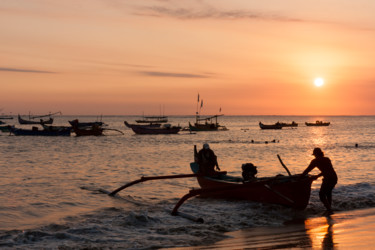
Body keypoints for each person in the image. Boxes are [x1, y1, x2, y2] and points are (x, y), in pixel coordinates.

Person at [301, 148, 338, 214]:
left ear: (315, 154)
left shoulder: (315, 161)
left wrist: (300, 177)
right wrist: (317, 176)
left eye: (314, 155)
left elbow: (307, 170)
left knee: (321, 195)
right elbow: (327, 170)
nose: (314, 156)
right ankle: (329, 209)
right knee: (328, 193)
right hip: (334, 177)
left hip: (328, 179)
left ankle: (329, 210)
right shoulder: (327, 159)